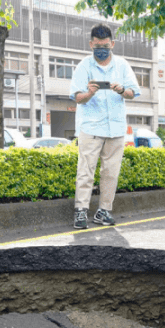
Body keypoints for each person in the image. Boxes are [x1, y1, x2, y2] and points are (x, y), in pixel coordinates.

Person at [69, 24, 140, 229]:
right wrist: (89, 93)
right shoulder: (84, 66)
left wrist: (122, 90)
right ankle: (81, 211)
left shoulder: (122, 65)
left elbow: (133, 93)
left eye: (106, 45)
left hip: (116, 128)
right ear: (91, 44)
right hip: (91, 127)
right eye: (97, 45)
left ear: (112, 44)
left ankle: (104, 211)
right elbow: (77, 97)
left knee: (111, 172)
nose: (102, 49)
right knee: (85, 171)